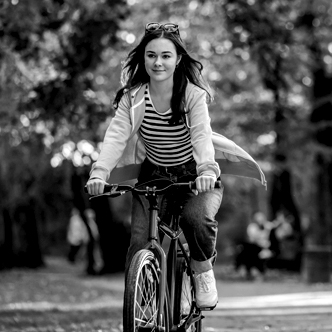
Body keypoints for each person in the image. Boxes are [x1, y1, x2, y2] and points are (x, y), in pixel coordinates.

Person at [86, 22, 266, 309]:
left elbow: (201, 134)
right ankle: (144, 307)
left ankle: (201, 271)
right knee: (139, 243)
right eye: (151, 55)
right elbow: (115, 138)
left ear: (178, 58)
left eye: (166, 55)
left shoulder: (192, 95)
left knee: (196, 219)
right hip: (153, 176)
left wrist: (207, 169)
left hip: (196, 176)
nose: (158, 62)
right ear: (143, 58)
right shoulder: (132, 98)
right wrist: (99, 172)